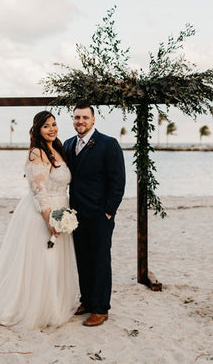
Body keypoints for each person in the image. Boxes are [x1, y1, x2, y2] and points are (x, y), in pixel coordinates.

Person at [0, 111, 80, 331]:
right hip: (43, 214)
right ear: (37, 130)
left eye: (54, 124)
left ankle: (53, 303)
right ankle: (37, 308)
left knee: (54, 262)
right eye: (46, 126)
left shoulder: (57, 149)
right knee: (43, 261)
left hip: (62, 208)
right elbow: (38, 190)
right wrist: (50, 220)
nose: (52, 129)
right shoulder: (37, 153)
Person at [63, 101, 126, 327]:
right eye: (77, 117)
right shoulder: (68, 144)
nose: (80, 121)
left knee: (100, 261)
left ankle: (101, 308)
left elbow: (118, 182)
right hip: (75, 216)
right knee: (83, 260)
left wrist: (109, 212)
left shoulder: (108, 144)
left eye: (85, 118)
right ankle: (87, 300)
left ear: (93, 120)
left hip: (100, 215)